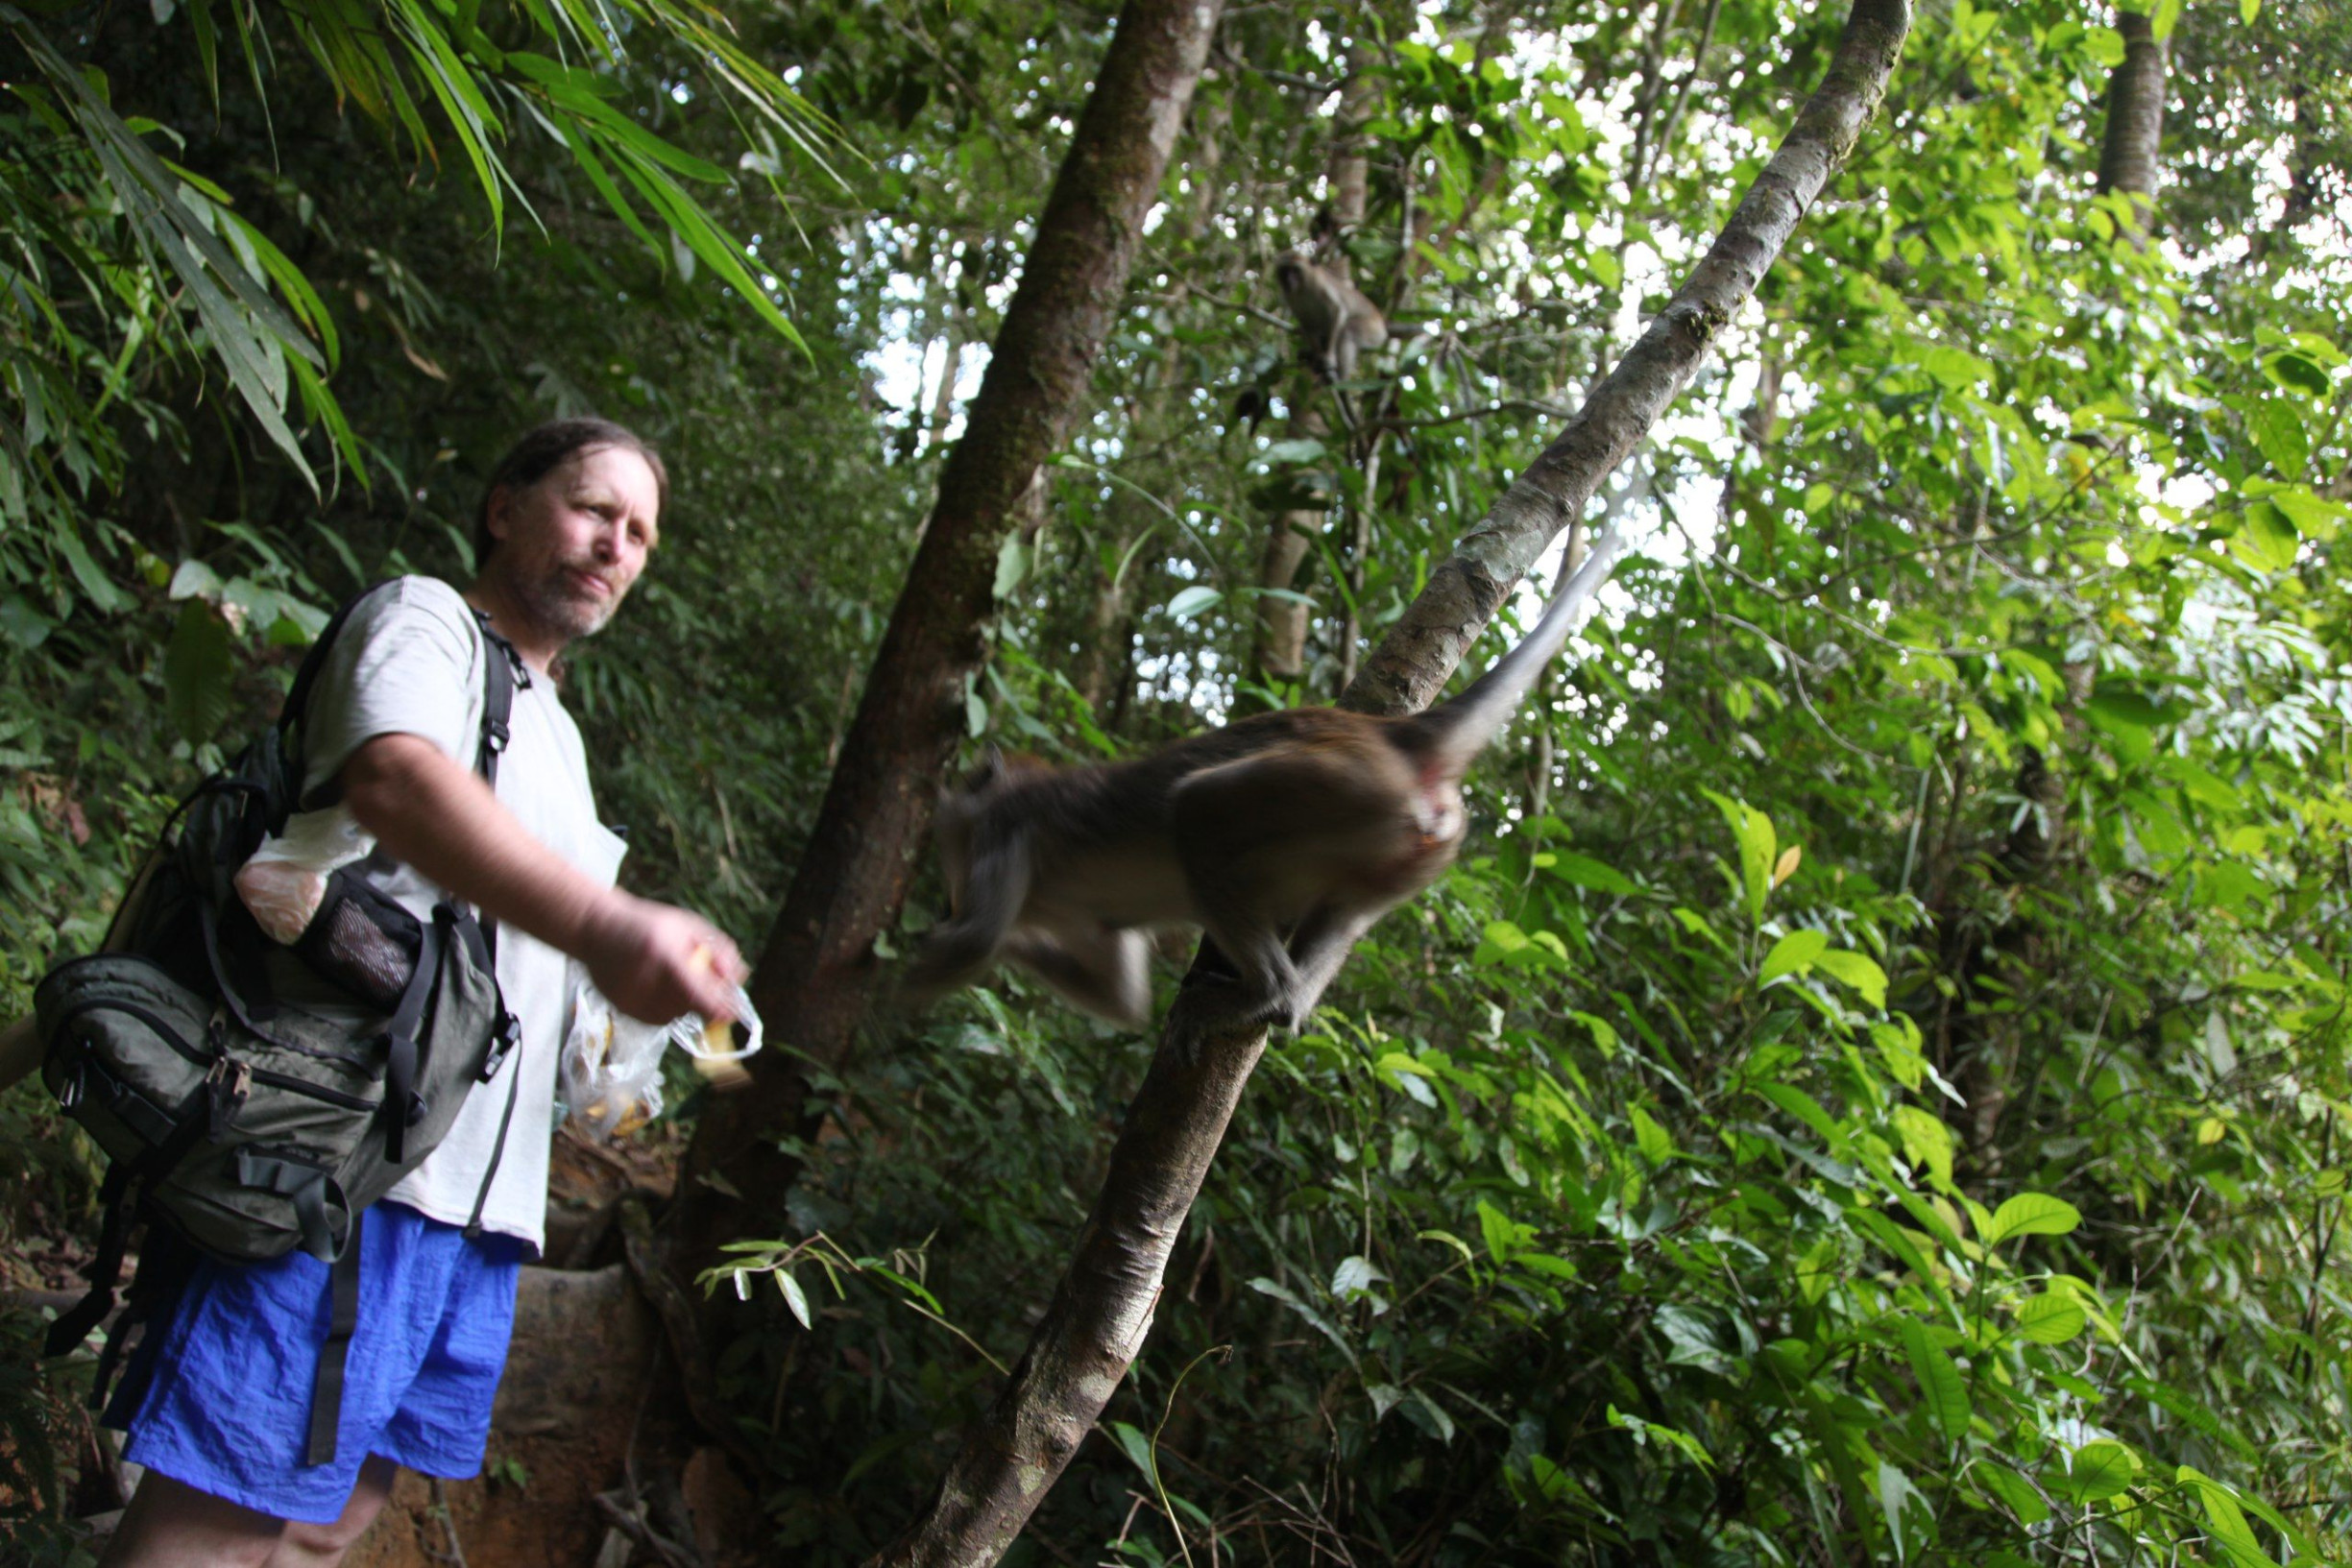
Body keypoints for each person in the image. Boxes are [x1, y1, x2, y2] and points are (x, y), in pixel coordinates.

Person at [66, 418, 747, 1567]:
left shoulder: (562, 740)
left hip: (479, 1210)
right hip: (348, 1169)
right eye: (592, 508)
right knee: (223, 1515)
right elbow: (394, 777)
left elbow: (529, 959)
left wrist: (628, 1018)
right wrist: (610, 921)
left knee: (336, 1517)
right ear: (505, 506)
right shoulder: (424, 621)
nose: (614, 545)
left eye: (638, 533)